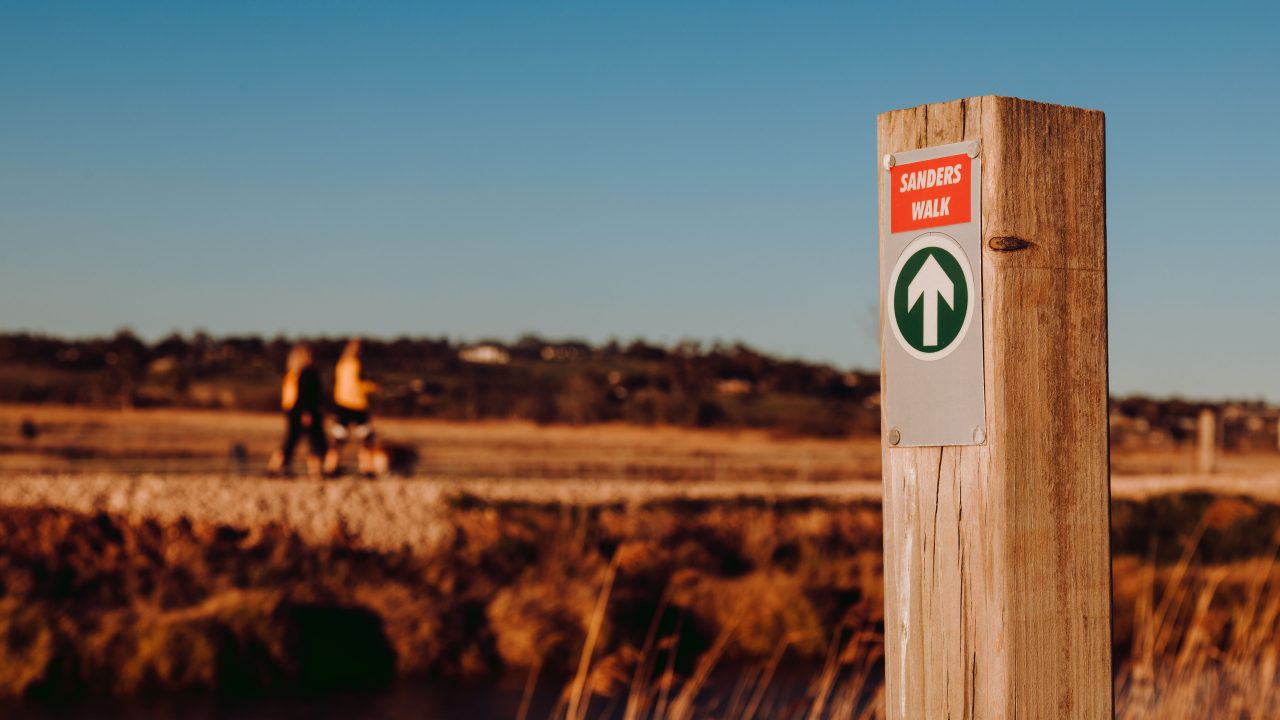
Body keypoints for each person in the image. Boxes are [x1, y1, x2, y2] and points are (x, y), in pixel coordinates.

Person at [266, 343, 327, 478]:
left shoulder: (292, 374)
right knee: (315, 442)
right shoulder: (308, 373)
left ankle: (274, 466)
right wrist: (307, 412)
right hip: (306, 413)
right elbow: (307, 395)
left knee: (290, 442)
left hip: (293, 412)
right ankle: (315, 471)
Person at [325, 338, 379, 475]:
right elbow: (357, 385)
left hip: (341, 404)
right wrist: (372, 386)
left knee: (338, 439)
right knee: (366, 439)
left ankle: (330, 467)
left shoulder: (341, 364)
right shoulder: (357, 364)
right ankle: (366, 468)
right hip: (358, 405)